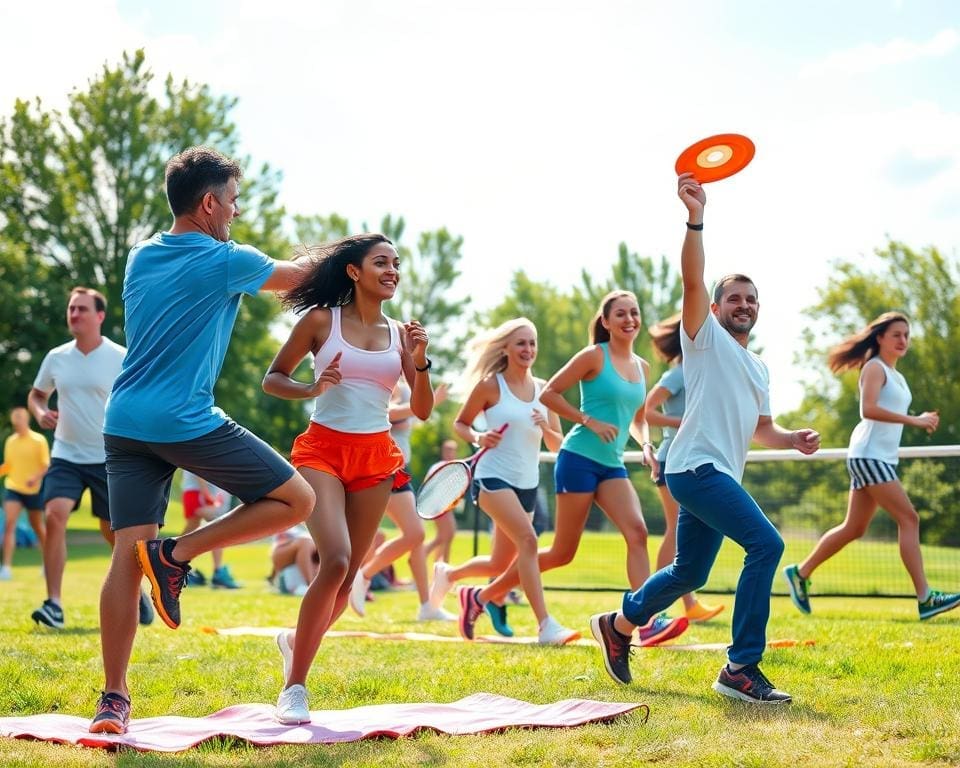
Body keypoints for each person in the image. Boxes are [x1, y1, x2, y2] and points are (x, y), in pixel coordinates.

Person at [89, 146, 317, 735]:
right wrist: (357, 251)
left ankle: (114, 699)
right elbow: (300, 279)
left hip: (125, 423)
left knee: (125, 557)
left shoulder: (141, 256)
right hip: (184, 421)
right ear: (209, 203)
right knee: (298, 500)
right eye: (234, 201)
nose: (236, 213)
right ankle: (177, 556)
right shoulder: (223, 258)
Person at [591, 173, 821, 704]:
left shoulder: (759, 367)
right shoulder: (705, 340)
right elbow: (693, 281)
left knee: (689, 569)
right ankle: (740, 668)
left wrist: (793, 439)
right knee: (767, 545)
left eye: (751, 299)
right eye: (734, 298)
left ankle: (620, 623)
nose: (744, 304)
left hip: (715, 473)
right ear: (716, 309)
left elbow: (762, 428)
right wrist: (695, 218)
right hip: (695, 468)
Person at [262, 233, 434, 725]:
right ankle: (295, 686)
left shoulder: (402, 334)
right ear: (354, 272)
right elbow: (273, 378)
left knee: (346, 577)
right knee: (334, 561)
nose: (392, 270)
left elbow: (421, 409)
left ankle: (296, 643)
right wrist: (313, 387)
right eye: (381, 262)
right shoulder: (321, 320)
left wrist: (419, 360)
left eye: (397, 264)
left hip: (376, 457)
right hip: (322, 450)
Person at [477, 292, 686, 647]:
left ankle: (645, 618)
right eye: (620, 314)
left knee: (637, 532)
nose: (629, 319)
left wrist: (646, 445)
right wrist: (588, 421)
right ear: (606, 322)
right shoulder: (594, 356)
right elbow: (550, 394)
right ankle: (484, 596)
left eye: (634, 313)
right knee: (562, 553)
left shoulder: (642, 367)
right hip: (577, 460)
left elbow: (637, 419)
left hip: (612, 464)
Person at [784, 312, 960, 620]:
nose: (903, 340)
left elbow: (886, 409)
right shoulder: (874, 368)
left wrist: (917, 419)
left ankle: (800, 573)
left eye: (906, 334)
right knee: (909, 518)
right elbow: (869, 409)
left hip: (878, 457)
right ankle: (926, 598)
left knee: (854, 528)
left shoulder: (897, 376)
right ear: (880, 338)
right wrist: (914, 420)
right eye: (896, 334)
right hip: (868, 455)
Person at [434, 318, 578, 644]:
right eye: (521, 343)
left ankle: (452, 577)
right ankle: (546, 625)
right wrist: (478, 436)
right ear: (506, 349)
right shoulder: (490, 385)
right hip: (491, 478)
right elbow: (461, 424)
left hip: (527, 484)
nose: (528, 349)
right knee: (529, 540)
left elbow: (558, 446)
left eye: (532, 343)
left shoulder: (546, 390)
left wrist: (546, 426)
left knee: (501, 562)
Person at [26, 287, 154, 628]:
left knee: (115, 535)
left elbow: (140, 398)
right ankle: (53, 603)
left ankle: (137, 592)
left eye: (82, 309)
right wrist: (40, 413)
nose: (75, 314)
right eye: (71, 309)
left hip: (110, 459)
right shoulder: (57, 357)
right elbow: (37, 394)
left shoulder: (121, 356)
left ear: (100, 316)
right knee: (55, 516)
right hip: (66, 455)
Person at [348, 381, 454, 621]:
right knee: (415, 534)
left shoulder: (404, 387)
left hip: (398, 468)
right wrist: (425, 405)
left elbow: (403, 416)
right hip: (384, 466)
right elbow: (388, 413)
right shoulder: (380, 382)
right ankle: (365, 574)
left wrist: (413, 409)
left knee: (415, 539)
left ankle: (427, 606)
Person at [644, 314, 724, 623]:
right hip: (671, 460)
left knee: (685, 534)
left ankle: (689, 604)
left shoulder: (700, 373)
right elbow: (648, 412)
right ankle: (654, 607)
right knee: (675, 532)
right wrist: (684, 421)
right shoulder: (677, 374)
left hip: (691, 461)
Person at [1, 407, 49, 579]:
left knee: (37, 526)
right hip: (13, 487)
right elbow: (8, 465)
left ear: (26, 420)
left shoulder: (39, 440)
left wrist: (34, 478)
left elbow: (45, 465)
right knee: (9, 525)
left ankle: (47, 563)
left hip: (33, 490)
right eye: (15, 423)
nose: (18, 425)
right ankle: (6, 568)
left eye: (20, 421)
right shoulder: (11, 441)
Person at [180, 470, 240, 589]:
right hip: (197, 493)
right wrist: (206, 494)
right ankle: (218, 572)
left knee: (192, 530)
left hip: (194, 492)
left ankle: (175, 565)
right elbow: (198, 471)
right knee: (217, 528)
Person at [422, 438, 460, 564]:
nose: (450, 452)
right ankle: (420, 556)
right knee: (444, 537)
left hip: (446, 508)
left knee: (446, 537)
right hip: (438, 507)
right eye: (448, 450)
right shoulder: (438, 466)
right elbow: (428, 487)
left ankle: (440, 567)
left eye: (453, 450)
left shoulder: (454, 466)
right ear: (443, 451)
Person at [270, 523, 319, 597]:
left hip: (292, 575)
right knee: (306, 542)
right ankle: (313, 585)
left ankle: (315, 585)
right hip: (283, 548)